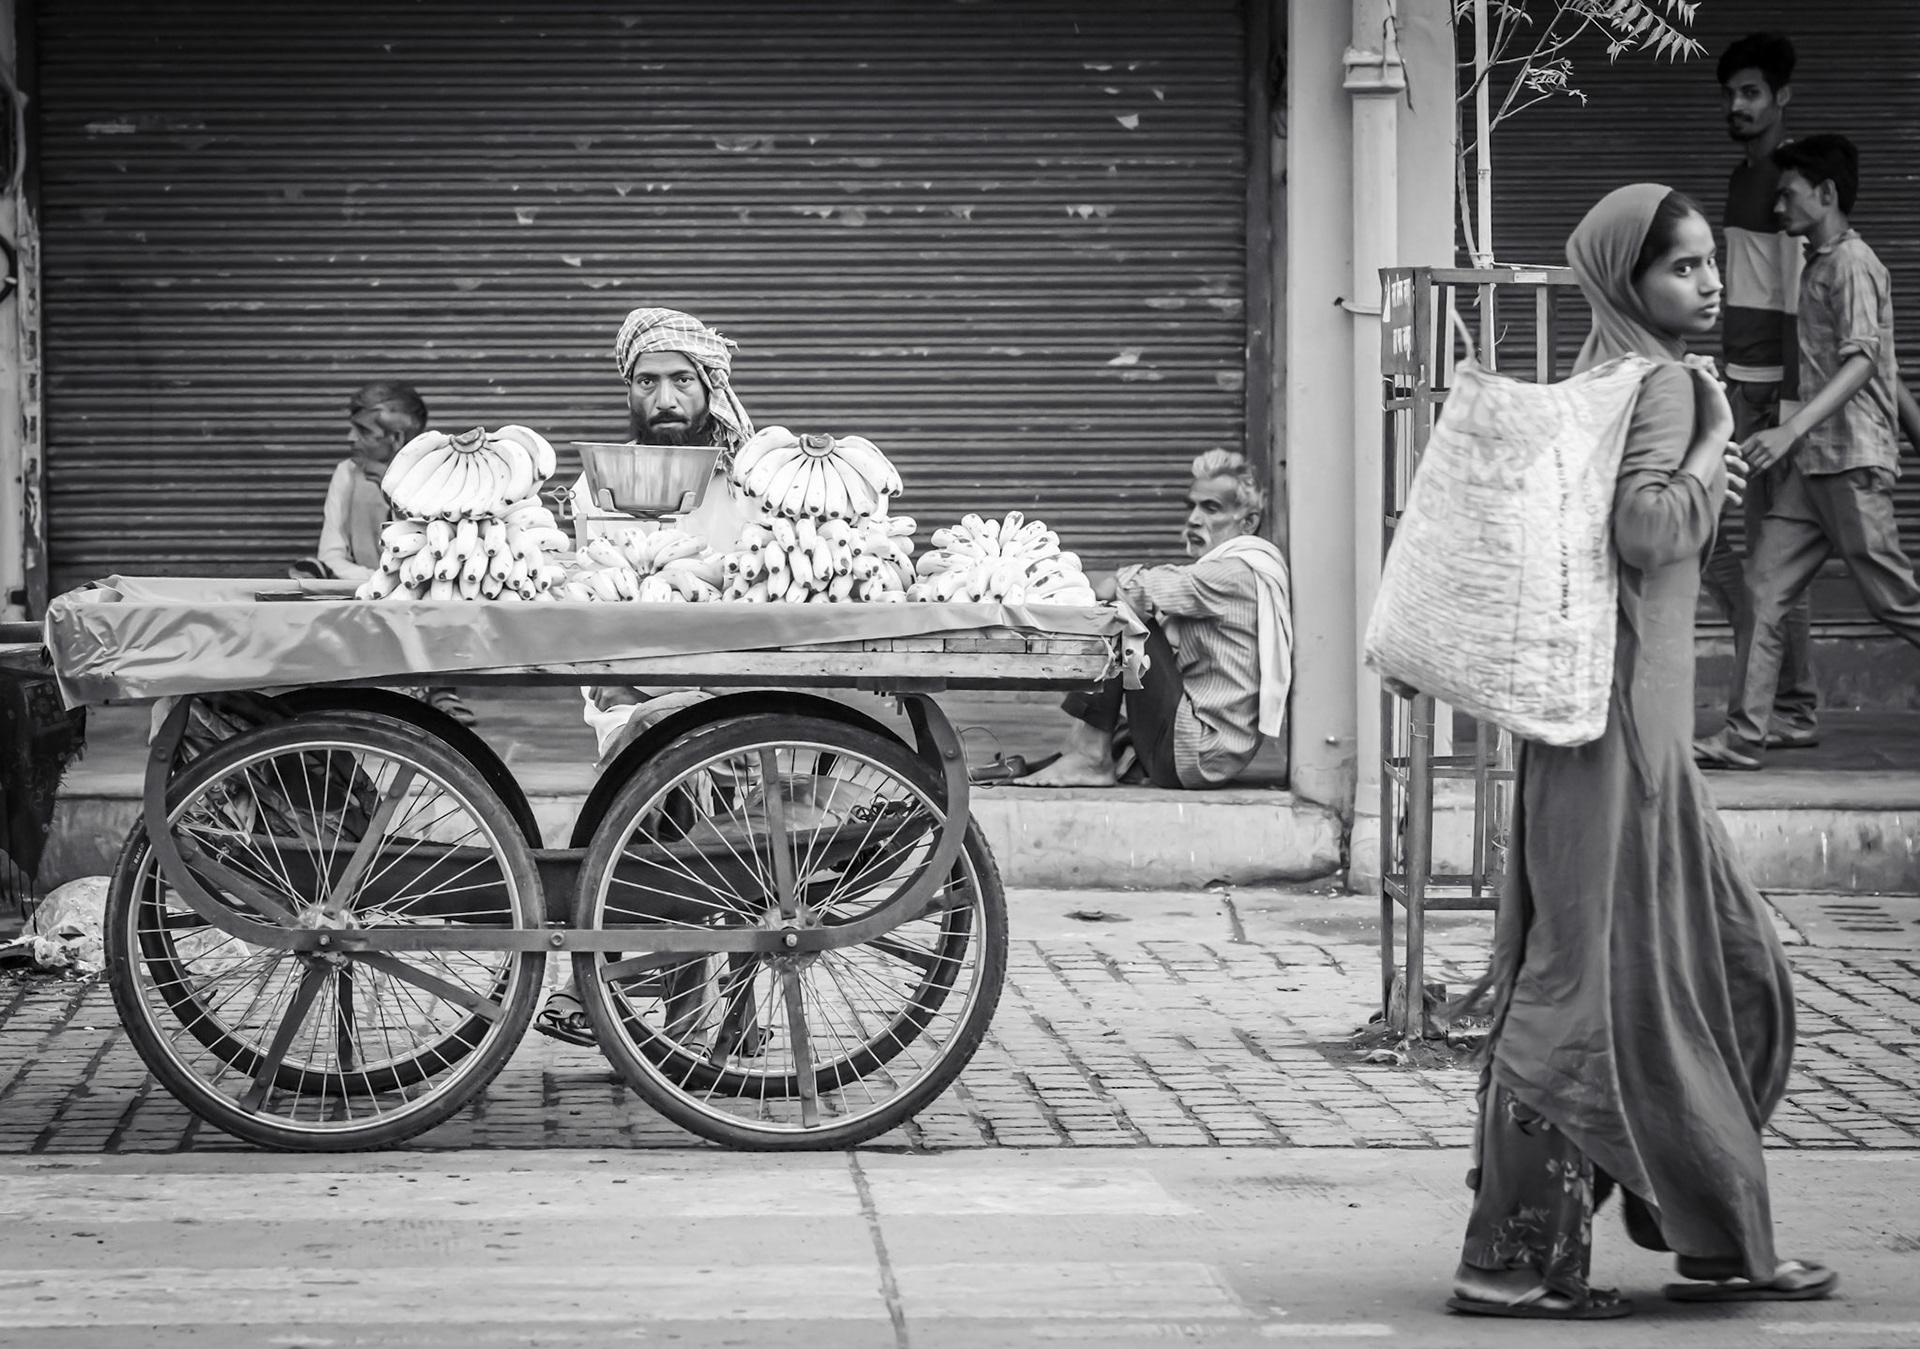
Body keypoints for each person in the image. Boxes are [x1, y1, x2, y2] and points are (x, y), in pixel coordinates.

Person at [1448, 185, 1835, 1320]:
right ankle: (1511, 1258)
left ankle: (1711, 1229)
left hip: (1625, 733)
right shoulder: (1664, 383)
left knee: (1713, 968)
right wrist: (1718, 434)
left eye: (1712, 263)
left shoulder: (1612, 376)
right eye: (1683, 268)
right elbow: (1647, 527)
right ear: (1630, 283)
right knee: (1587, 989)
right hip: (1615, 734)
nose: (1709, 284)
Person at [540, 306, 761, 1046]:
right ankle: (695, 1016)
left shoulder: (758, 486)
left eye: (680, 381)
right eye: (647, 381)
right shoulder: (594, 490)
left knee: (692, 792)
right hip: (630, 700)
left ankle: (654, 1000)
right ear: (628, 391)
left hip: (743, 695)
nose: (663, 398)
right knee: (667, 760)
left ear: (712, 389)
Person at [1695, 135, 1920, 770]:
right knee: (1765, 593)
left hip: (1848, 461)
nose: (1778, 205)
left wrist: (1788, 432)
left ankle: (1747, 731)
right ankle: (1742, 736)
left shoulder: (1851, 263)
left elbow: (1863, 361)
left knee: (1894, 600)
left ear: (1825, 195)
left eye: (1789, 193)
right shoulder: (1818, 263)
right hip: (1814, 465)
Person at [1694, 33, 1821, 769]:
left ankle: (1793, 707)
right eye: (1730, 94)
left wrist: (1790, 405)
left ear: (1782, 99)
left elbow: (1798, 300)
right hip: (1738, 384)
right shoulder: (1741, 180)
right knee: (1734, 549)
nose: (1736, 106)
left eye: (1750, 93)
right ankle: (1779, 698)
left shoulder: (1791, 183)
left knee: (1776, 555)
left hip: (1775, 396)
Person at [1023, 449, 1291, 790]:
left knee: (1121, 615)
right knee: (1129, 622)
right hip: (1202, 753)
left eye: (1211, 508)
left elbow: (1125, 589)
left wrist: (1034, 583)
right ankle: (1079, 751)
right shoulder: (1246, 568)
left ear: (1248, 522)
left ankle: (1090, 757)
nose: (1194, 519)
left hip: (1193, 753)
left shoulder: (1231, 574)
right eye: (1191, 506)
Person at [295, 382, 473, 727]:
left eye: (363, 431)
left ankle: (435, 685)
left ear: (397, 440)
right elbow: (330, 555)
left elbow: (436, 550)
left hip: (417, 588)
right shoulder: (347, 474)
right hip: (359, 588)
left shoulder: (436, 480)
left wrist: (393, 497)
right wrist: (376, 584)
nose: (350, 438)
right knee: (304, 573)